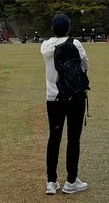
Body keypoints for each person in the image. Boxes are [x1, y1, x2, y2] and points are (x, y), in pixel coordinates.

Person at [40, 13, 89, 195]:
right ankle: (71, 180)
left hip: (53, 98)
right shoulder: (75, 44)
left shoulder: (45, 46)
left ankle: (51, 181)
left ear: (52, 28)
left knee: (54, 137)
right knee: (73, 139)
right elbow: (85, 65)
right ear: (69, 28)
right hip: (74, 97)